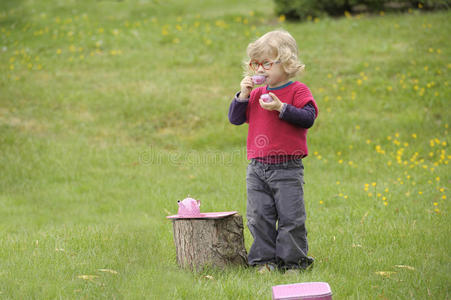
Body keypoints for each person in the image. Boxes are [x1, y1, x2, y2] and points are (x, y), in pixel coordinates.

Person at [228, 29, 318, 273]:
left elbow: (308, 117)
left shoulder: (298, 90)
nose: (260, 70)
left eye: (266, 63)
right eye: (256, 64)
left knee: (291, 218)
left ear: (287, 63)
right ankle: (264, 261)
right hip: (257, 168)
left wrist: (282, 108)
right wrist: (243, 95)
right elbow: (235, 119)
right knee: (259, 217)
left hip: (287, 167)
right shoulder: (257, 93)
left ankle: (294, 263)